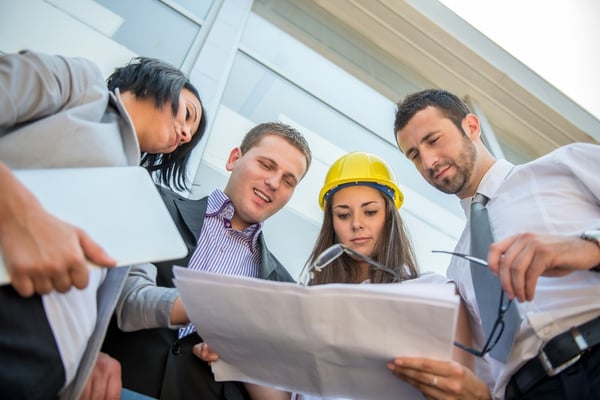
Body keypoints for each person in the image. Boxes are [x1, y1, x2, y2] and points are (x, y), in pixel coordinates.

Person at [0, 50, 207, 400]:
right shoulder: (80, 84)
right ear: (160, 79)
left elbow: (131, 300)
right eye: (188, 114)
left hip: (44, 377)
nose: (186, 133)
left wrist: (208, 308)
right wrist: (16, 210)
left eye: (191, 133)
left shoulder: (141, 197)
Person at [196, 151, 477, 400]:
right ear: (332, 225)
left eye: (370, 212)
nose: (357, 224)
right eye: (343, 215)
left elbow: (463, 385)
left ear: (389, 216)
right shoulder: (310, 304)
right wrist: (237, 355)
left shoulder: (435, 293)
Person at [391, 88, 600, 400]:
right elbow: (487, 370)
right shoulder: (457, 267)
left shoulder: (563, 168)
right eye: (414, 155)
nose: (429, 161)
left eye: (433, 140)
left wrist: (589, 247)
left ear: (472, 127)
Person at [101, 121, 312, 400]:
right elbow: (106, 294)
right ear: (233, 159)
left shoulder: (283, 289)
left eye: (288, 181)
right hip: (109, 387)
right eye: (266, 165)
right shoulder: (156, 203)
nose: (274, 183)